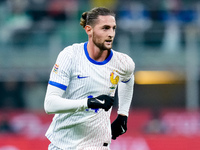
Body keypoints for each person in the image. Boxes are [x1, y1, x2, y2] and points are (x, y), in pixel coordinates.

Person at [44, 7, 135, 150]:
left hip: (98, 145)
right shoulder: (70, 56)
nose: (111, 34)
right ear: (89, 30)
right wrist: (89, 102)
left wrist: (123, 114)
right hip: (63, 144)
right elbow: (50, 105)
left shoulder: (123, 62)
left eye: (113, 28)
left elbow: (128, 79)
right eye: (105, 28)